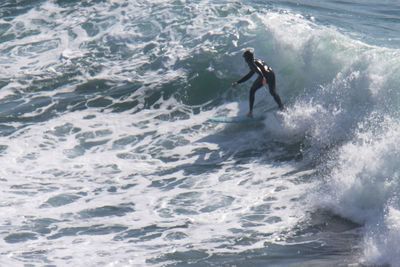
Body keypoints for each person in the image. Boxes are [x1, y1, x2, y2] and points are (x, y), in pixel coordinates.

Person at [232, 50, 284, 117]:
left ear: (247, 58)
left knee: (252, 90)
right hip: (271, 73)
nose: (244, 60)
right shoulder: (258, 61)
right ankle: (281, 106)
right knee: (272, 92)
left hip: (264, 75)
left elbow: (257, 69)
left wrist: (263, 77)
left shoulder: (251, 62)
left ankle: (250, 112)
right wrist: (238, 82)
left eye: (245, 58)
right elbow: (250, 74)